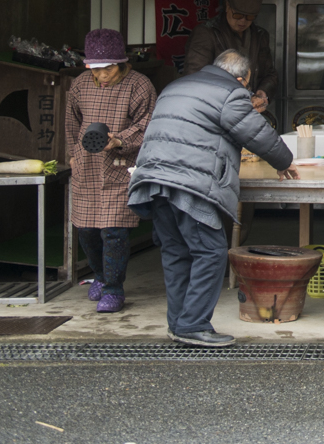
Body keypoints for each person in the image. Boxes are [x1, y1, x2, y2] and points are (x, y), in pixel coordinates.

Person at [127, 48, 296, 347]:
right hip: (189, 182)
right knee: (211, 251)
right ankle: (193, 325)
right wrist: (284, 161)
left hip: (154, 179)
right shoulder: (230, 92)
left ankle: (178, 323)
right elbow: (256, 132)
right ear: (242, 79)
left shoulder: (176, 86)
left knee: (176, 251)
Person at [65, 28, 156, 314]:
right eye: (96, 69)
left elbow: (149, 124)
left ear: (121, 63)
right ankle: (100, 275)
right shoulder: (80, 84)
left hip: (120, 166)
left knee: (114, 231)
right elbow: (71, 122)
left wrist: (120, 140)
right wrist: (71, 154)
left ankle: (114, 288)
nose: (103, 75)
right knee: (86, 229)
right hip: (87, 165)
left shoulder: (140, 86)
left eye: (108, 68)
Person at [184, 0, 276, 112]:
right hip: (217, 110)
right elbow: (194, 77)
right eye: (237, 15)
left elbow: (270, 74)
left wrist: (263, 92)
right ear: (227, 6)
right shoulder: (207, 33)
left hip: (250, 110)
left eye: (249, 17)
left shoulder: (260, 35)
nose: (243, 21)